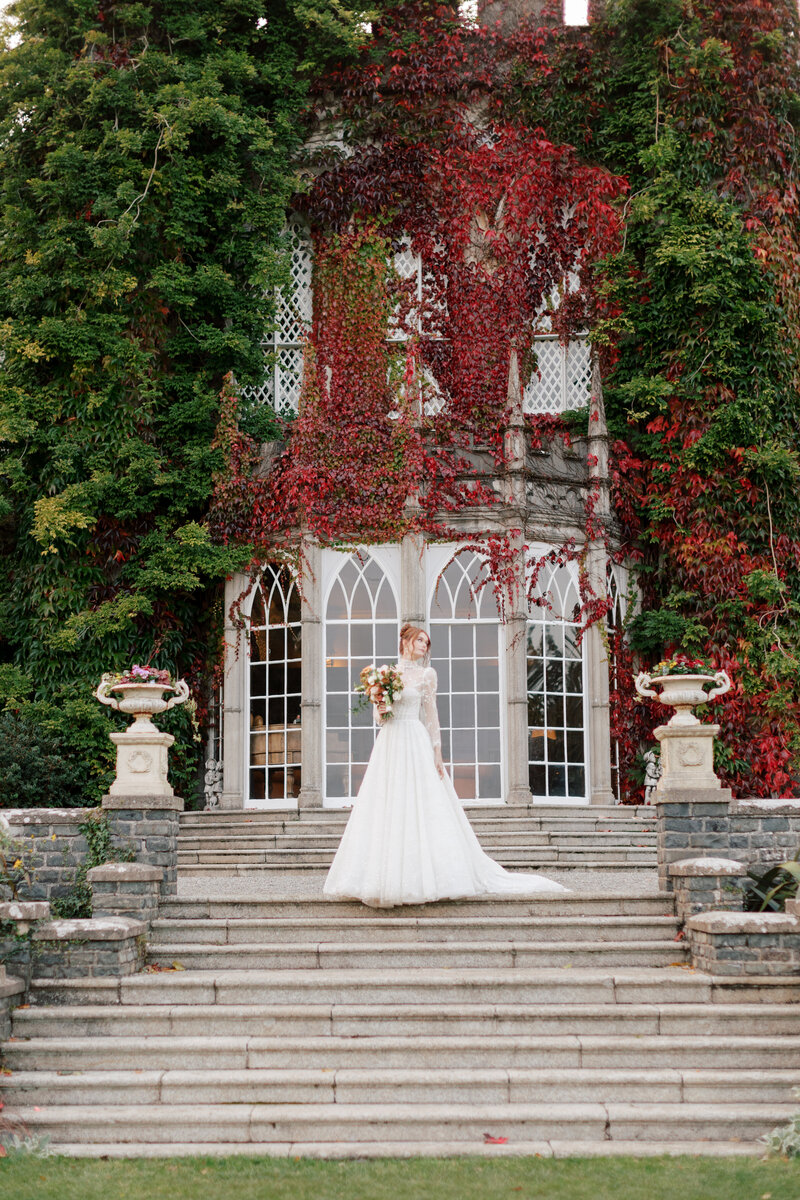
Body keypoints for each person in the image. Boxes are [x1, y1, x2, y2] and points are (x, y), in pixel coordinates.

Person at [324, 623, 568, 907]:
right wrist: (380, 707)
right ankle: (379, 876)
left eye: (427, 643)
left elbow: (431, 716)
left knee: (420, 804)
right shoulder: (386, 674)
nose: (424, 646)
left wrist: (437, 752)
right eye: (420, 641)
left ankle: (426, 878)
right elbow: (381, 718)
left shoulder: (427, 675)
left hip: (414, 739)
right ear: (405, 641)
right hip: (390, 742)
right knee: (386, 803)